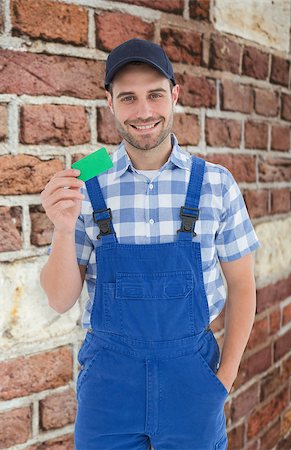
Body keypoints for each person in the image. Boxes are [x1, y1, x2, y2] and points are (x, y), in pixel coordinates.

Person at [40, 38, 261, 450]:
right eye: (128, 98)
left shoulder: (215, 182)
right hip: (108, 390)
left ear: (175, 95)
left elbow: (243, 286)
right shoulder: (89, 182)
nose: (143, 112)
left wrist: (221, 383)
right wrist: (62, 226)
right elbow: (59, 299)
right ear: (109, 103)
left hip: (193, 383)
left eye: (155, 95)